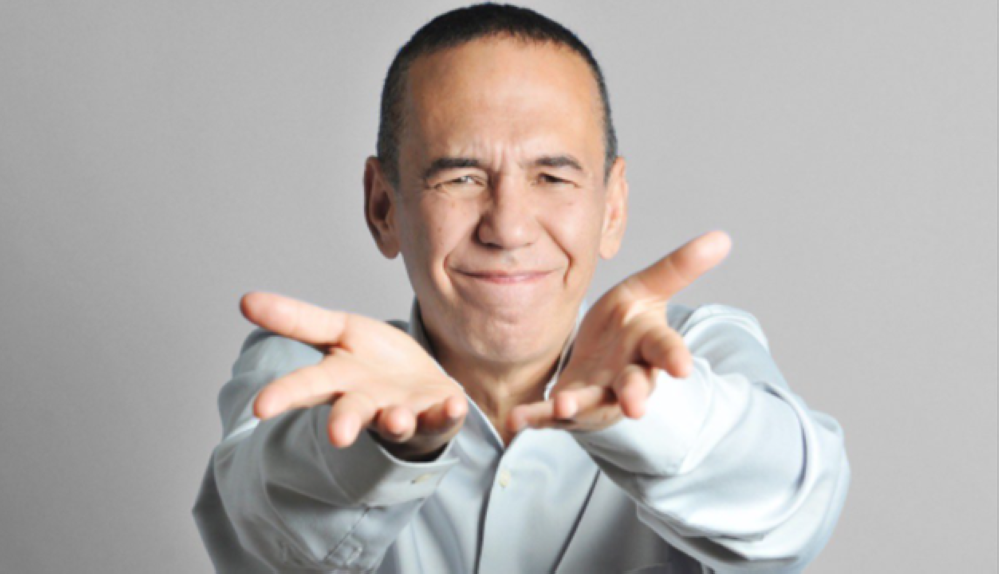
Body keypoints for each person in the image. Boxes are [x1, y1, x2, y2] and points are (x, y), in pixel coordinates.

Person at [193, 4, 850, 573]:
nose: (507, 228)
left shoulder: (694, 352)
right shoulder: (312, 373)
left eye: (553, 178)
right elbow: (263, 534)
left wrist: (650, 414)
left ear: (612, 209)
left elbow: (798, 512)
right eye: (460, 178)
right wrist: (385, 448)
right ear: (383, 207)